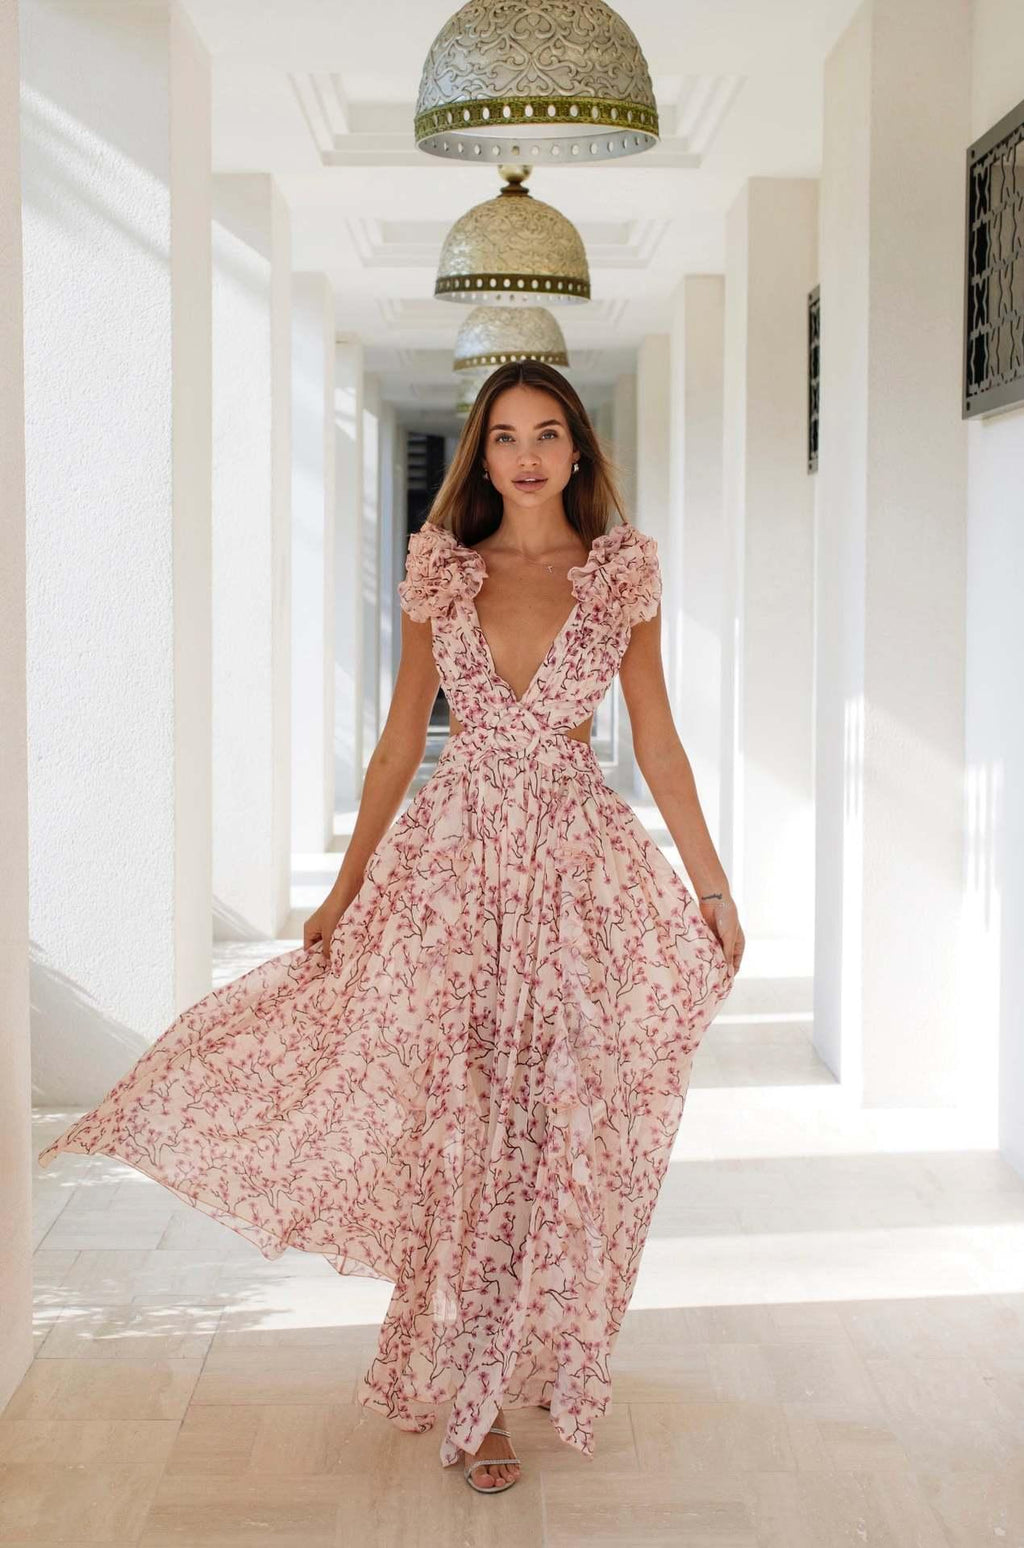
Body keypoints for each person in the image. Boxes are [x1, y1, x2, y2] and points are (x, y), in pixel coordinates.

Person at [37, 359, 744, 1496]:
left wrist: (710, 889)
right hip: (450, 879)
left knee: (551, 1133)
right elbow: (397, 743)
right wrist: (346, 885)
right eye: (503, 434)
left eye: (546, 433)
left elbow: (656, 743)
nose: (523, 454)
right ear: (480, 451)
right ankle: (473, 1401)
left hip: (572, 881)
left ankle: (520, 1360)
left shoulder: (616, 578)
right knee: (463, 1138)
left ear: (577, 451)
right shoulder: (442, 574)